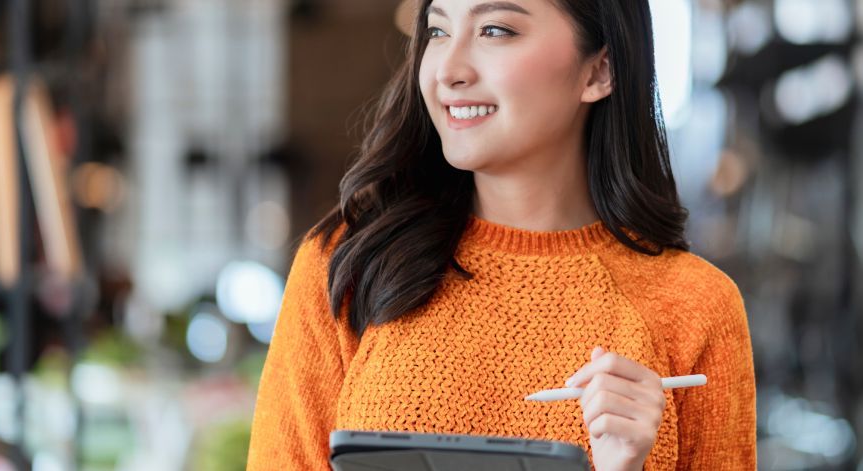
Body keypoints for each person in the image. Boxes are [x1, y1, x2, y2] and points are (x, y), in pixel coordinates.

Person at [246, 0, 756, 469]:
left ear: (600, 70)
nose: (448, 69)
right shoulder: (348, 264)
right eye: (437, 31)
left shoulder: (696, 307)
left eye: (495, 30)